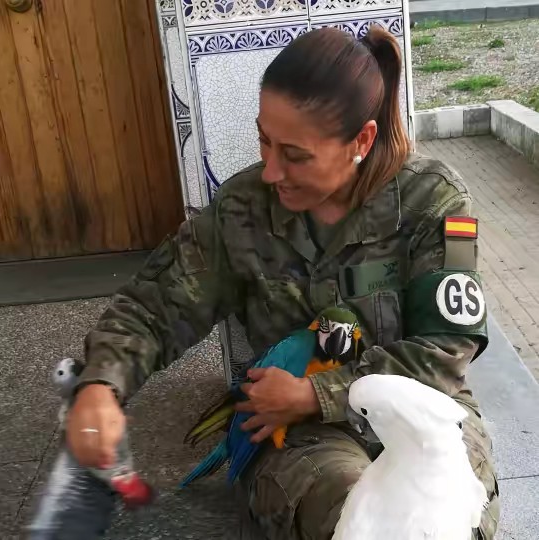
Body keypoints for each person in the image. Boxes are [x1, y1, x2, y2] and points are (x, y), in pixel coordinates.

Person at [65, 25, 499, 539]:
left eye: (295, 155)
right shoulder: (243, 208)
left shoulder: (435, 201)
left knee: (442, 520)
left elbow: (444, 350)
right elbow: (155, 305)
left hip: (425, 413)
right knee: (350, 521)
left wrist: (318, 392)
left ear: (361, 140)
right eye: (264, 141)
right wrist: (101, 385)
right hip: (296, 432)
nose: (271, 171)